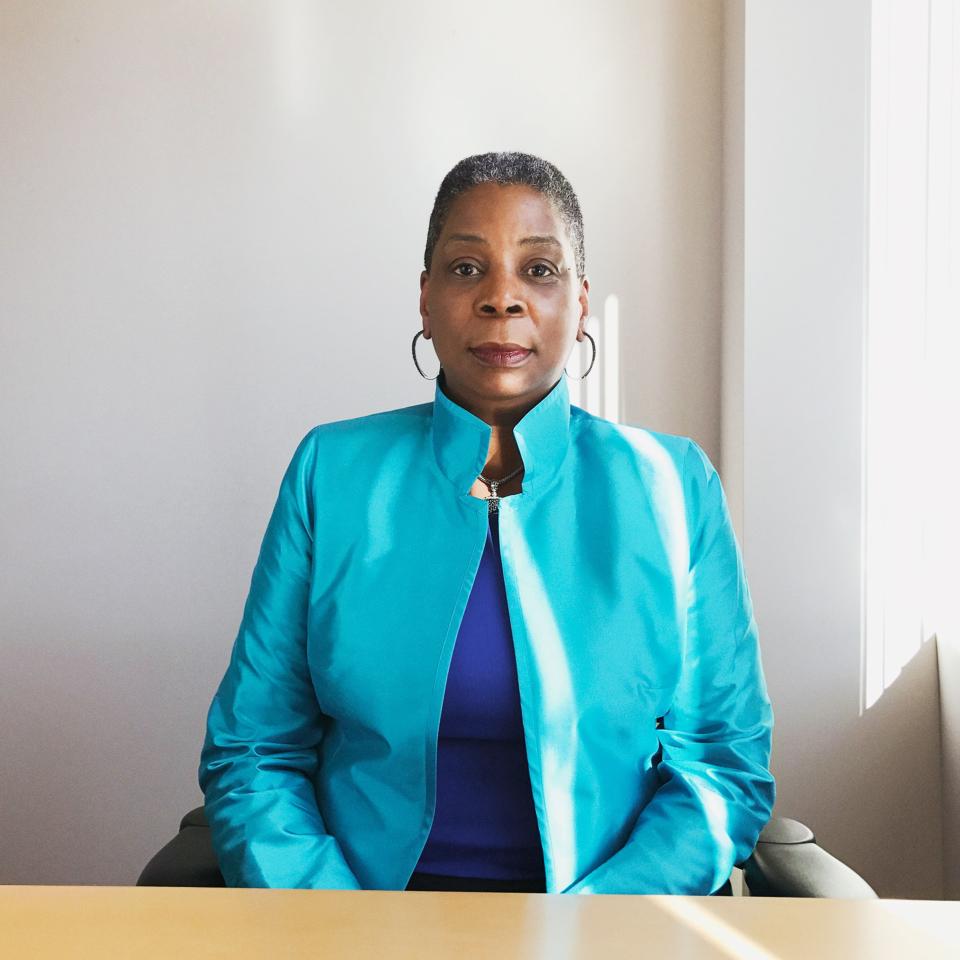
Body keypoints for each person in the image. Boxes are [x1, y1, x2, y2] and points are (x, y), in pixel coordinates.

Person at [198, 151, 776, 896]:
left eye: (539, 270)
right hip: (364, 928)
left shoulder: (670, 485)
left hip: (604, 931)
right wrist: (338, 925)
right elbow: (252, 750)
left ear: (581, 302)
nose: (502, 298)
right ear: (425, 298)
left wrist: (597, 928)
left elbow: (722, 762)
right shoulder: (331, 473)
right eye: (467, 269)